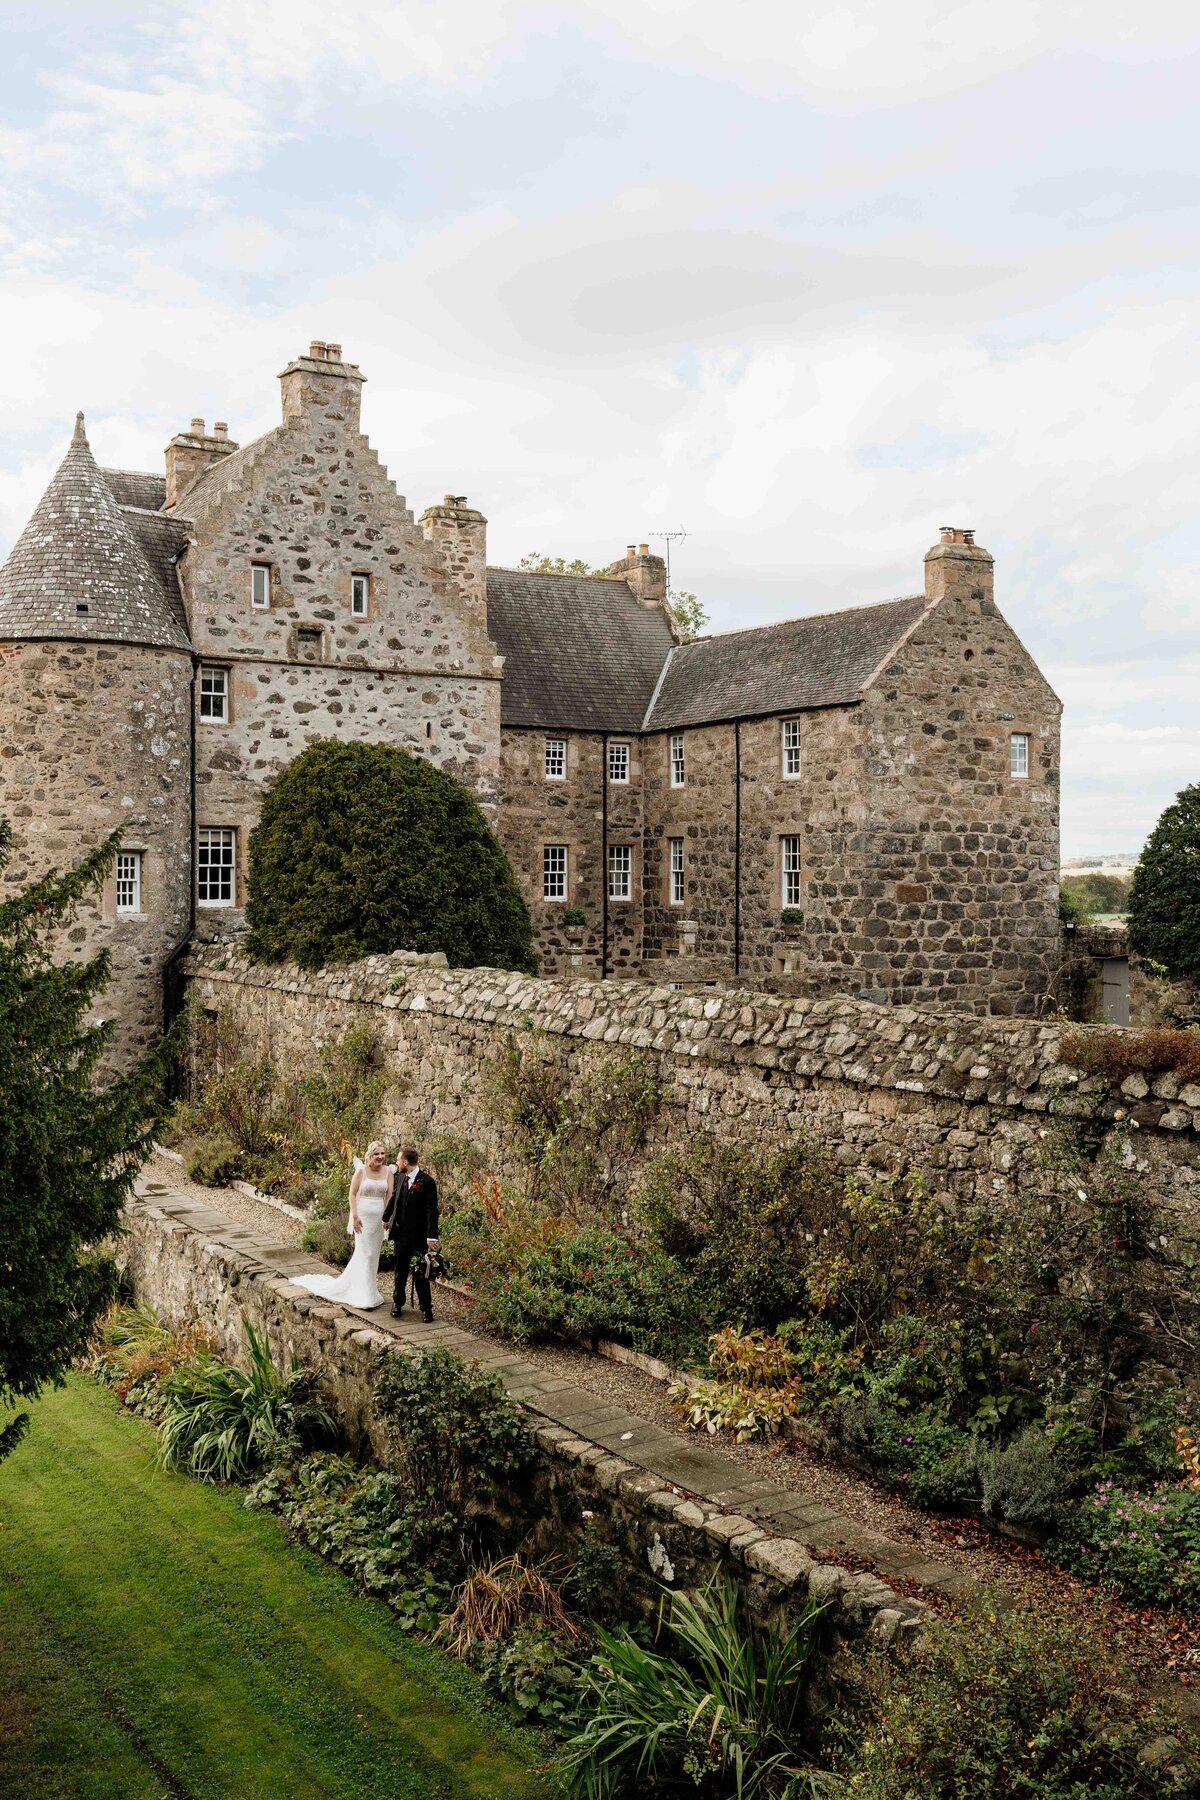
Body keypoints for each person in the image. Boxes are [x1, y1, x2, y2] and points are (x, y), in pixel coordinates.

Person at [293, 1142, 393, 1310]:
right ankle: (364, 1296)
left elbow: (389, 1195)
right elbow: (352, 1194)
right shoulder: (361, 1171)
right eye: (377, 1154)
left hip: (379, 1219)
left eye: (382, 1153)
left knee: (373, 1255)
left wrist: (387, 1217)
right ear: (370, 1155)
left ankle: (369, 1290)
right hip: (362, 1218)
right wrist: (355, 1216)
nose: (380, 1157)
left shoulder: (388, 1171)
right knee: (366, 1254)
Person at [383, 1146, 439, 1322]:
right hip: (401, 1233)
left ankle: (426, 1308)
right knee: (400, 1270)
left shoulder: (427, 1182)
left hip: (419, 1237)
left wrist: (431, 1236)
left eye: (398, 1160)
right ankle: (397, 1302)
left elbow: (432, 1211)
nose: (396, 1162)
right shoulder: (401, 1177)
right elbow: (395, 1198)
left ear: (405, 1162)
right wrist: (386, 1217)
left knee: (420, 1272)